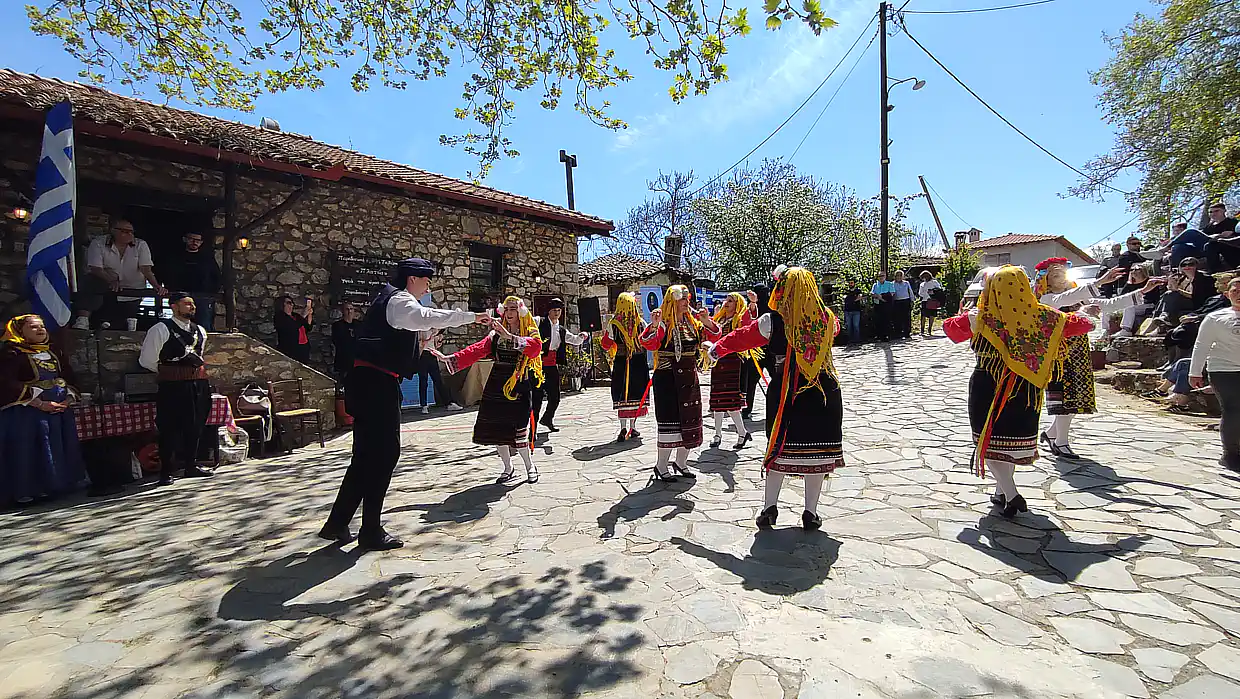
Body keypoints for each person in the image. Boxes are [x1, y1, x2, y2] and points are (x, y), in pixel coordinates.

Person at [320, 258, 488, 551]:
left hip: (367, 382)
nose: (427, 286)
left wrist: (424, 346)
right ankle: (370, 529)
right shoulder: (400, 301)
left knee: (365, 457)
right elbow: (425, 316)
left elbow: (404, 339)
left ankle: (337, 522)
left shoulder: (390, 301)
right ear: (412, 279)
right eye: (425, 280)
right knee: (384, 455)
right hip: (376, 385)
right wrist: (472, 317)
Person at [943, 266, 1095, 518]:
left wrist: (967, 310)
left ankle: (1012, 494)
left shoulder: (979, 318)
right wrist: (1086, 313)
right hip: (1025, 388)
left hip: (988, 385)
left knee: (989, 442)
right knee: (1009, 444)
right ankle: (1000, 491)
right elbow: (1082, 325)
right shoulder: (1046, 318)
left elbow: (950, 330)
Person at [708, 266, 844, 531]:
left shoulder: (773, 321)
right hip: (823, 389)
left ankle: (770, 507)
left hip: (788, 389)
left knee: (780, 445)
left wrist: (716, 349)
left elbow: (743, 337)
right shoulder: (828, 319)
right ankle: (810, 512)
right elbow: (835, 333)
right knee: (816, 451)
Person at [1034, 257, 1155, 458]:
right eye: (1055, 275)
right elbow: (1064, 300)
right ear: (1046, 279)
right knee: (1065, 395)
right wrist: (1097, 285)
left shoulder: (1078, 299)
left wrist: (1141, 291)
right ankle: (1061, 442)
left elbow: (1109, 304)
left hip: (1079, 350)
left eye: (1063, 274)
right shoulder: (1045, 299)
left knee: (1076, 395)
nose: (1061, 279)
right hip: (1058, 352)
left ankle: (1052, 433)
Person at [438, 296, 544, 484]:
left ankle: (530, 467)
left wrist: (509, 337)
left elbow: (535, 348)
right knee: (497, 429)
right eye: (507, 309)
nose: (510, 313)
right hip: (496, 383)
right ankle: (508, 468)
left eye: (513, 309)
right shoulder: (495, 335)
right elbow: (478, 349)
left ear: (520, 312)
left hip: (518, 385)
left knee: (519, 429)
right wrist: (451, 358)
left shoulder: (529, 331)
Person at [0, 314, 86, 507]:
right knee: (28, 450)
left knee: (56, 447)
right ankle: (26, 491)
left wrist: (67, 399)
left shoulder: (54, 351)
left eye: (42, 326)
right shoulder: (11, 353)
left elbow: (69, 376)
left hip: (57, 411)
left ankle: (56, 486)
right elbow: (5, 382)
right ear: (19, 331)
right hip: (26, 414)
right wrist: (37, 402)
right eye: (33, 327)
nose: (40, 330)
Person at [638, 284, 719, 482]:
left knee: (690, 420)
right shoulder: (664, 323)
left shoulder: (693, 323)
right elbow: (648, 343)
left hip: (689, 378)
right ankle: (661, 465)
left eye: (686, 299)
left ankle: (681, 463)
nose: (685, 302)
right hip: (668, 379)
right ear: (672, 302)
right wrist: (655, 325)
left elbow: (713, 335)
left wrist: (706, 321)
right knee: (670, 422)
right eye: (681, 299)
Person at [139, 292, 214, 484]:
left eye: (193, 304)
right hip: (173, 386)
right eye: (187, 304)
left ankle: (190, 465)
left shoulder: (200, 331)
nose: (192, 307)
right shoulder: (160, 329)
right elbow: (147, 360)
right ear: (173, 306)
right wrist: (171, 372)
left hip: (197, 384)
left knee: (195, 425)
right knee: (169, 428)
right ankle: (166, 472)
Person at [76, 218, 166, 329]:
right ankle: (82, 320)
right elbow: (95, 268)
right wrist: (111, 280)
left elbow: (145, 269)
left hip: (133, 287)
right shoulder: (98, 243)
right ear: (113, 231)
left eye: (131, 231)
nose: (129, 234)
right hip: (106, 285)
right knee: (90, 284)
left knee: (127, 317)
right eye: (124, 231)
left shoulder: (141, 245)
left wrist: (156, 286)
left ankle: (131, 327)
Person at [1189, 276, 1240, 471]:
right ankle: (1231, 454)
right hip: (1224, 370)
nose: (1239, 294)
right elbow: (1202, 345)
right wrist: (1195, 372)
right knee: (1233, 409)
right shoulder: (1215, 318)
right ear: (1227, 294)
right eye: (1234, 291)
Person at [707, 292, 756, 450]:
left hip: (733, 363)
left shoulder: (740, 319)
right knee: (717, 400)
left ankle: (741, 432)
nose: (726, 303)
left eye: (731, 301)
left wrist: (753, 304)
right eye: (726, 300)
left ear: (738, 305)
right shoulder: (719, 320)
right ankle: (718, 434)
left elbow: (750, 324)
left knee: (731, 401)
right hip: (718, 362)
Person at [599, 292, 650, 441]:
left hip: (622, 362)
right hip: (639, 362)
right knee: (636, 393)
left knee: (622, 392)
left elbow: (606, 344)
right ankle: (633, 427)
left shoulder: (613, 324)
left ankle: (623, 428)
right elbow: (647, 341)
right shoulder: (641, 323)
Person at [532, 298, 588, 433]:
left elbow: (574, 340)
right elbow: (527, 323)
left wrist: (582, 336)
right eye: (554, 310)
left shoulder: (561, 330)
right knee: (537, 398)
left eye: (559, 311)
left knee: (555, 397)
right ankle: (532, 429)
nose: (556, 313)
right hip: (537, 366)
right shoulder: (539, 321)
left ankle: (547, 419)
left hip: (551, 365)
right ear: (549, 311)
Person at [163, 232, 220, 330]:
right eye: (191, 239)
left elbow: (217, 276)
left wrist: (211, 292)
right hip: (181, 296)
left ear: (201, 243)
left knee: (203, 325)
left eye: (198, 240)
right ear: (185, 239)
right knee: (180, 325)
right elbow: (167, 273)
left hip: (202, 297)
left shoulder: (207, 259)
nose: (194, 242)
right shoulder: (176, 257)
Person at [741, 283, 772, 419]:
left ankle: (748, 409)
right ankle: (747, 408)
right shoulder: (757, 308)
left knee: (753, 381)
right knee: (752, 380)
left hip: (766, 350)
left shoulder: (770, 307)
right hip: (760, 350)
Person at [417, 327, 463, 414]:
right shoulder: (421, 329)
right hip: (423, 354)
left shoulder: (435, 330)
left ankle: (449, 403)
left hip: (432, 354)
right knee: (423, 380)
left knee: (438, 380)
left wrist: (439, 340)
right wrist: (428, 339)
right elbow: (419, 342)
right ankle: (424, 405)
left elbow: (436, 345)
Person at [1115, 264, 1161, 337]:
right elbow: (1121, 297)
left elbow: (1154, 298)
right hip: (1135, 305)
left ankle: (1126, 330)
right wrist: (1129, 283)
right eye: (1131, 270)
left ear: (1143, 271)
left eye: (1136, 269)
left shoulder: (1150, 281)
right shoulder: (1130, 284)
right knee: (1107, 311)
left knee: (1130, 306)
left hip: (1147, 305)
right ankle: (1106, 331)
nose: (1133, 271)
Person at [273, 295, 313, 362]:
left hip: (303, 347)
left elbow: (308, 327)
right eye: (289, 303)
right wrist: (303, 315)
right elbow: (292, 327)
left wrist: (310, 315)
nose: (291, 305)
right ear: (282, 304)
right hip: (290, 349)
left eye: (292, 303)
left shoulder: (296, 316)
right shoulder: (279, 317)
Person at [331, 301, 359, 380]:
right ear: (343, 311)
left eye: (351, 309)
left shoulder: (358, 325)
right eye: (347, 309)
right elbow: (337, 341)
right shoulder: (337, 326)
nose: (349, 311)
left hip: (356, 359)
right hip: (344, 359)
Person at [917, 271, 945, 336]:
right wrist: (926, 293)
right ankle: (922, 330)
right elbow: (920, 293)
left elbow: (939, 290)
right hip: (925, 300)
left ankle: (929, 329)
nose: (924, 279)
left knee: (932, 315)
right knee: (923, 315)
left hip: (933, 300)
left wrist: (933, 292)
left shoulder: (934, 282)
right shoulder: (922, 284)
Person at [870, 271, 895, 342]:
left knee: (886, 320)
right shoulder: (875, 285)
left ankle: (886, 335)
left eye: (882, 276)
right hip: (877, 304)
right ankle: (878, 335)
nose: (881, 277)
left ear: (885, 276)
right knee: (878, 320)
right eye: (879, 276)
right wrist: (878, 297)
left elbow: (892, 293)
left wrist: (882, 297)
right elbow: (872, 293)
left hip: (886, 304)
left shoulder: (889, 284)